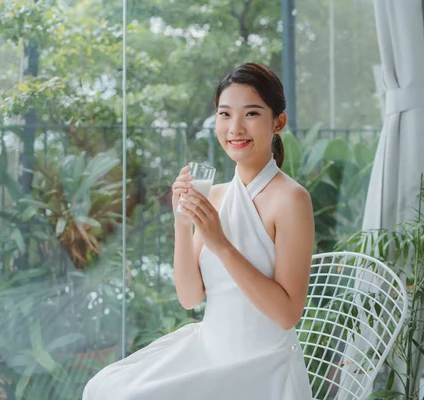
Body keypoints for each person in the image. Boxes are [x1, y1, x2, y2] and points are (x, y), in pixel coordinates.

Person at [83, 62, 315, 400]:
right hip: (210, 348)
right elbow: (190, 297)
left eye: (251, 114)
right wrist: (183, 221)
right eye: (224, 114)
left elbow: (287, 314)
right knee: (103, 389)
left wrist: (221, 244)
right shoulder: (215, 195)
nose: (235, 128)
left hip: (260, 365)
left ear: (278, 122)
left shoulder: (291, 199)